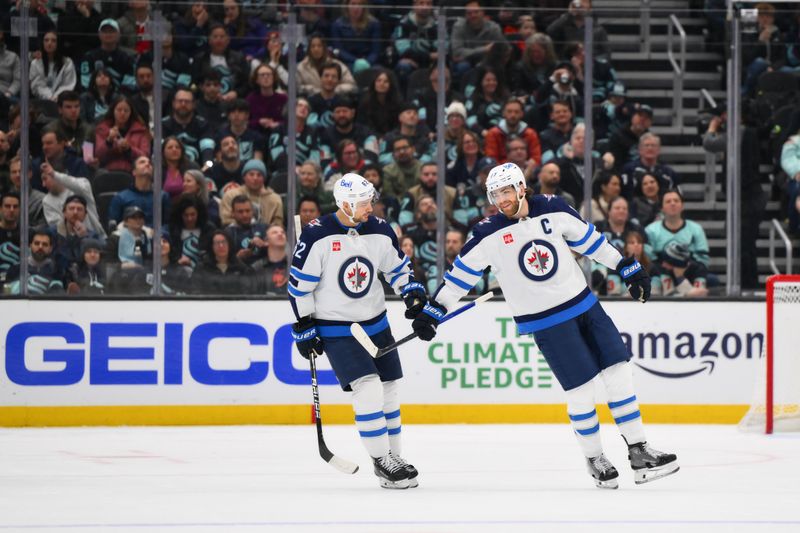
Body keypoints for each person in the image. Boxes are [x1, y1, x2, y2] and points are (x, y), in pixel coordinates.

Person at [419, 162, 678, 489]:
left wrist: (625, 266)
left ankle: (639, 451)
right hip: (547, 322)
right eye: (495, 194)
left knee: (618, 372)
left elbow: (591, 242)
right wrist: (434, 311)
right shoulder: (487, 233)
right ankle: (595, 458)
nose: (502, 199)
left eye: (506, 191)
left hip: (585, 305)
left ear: (521, 187)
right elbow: (459, 278)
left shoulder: (553, 208)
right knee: (582, 390)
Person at [288, 173, 429, 489]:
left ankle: (395, 457)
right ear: (346, 204)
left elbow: (398, 269)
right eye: (365, 202)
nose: (371, 206)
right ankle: (381, 462)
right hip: (338, 329)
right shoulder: (317, 235)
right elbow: (299, 287)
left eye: (371, 199)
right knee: (368, 389)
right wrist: (304, 325)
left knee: (390, 388)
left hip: (376, 323)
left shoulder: (379, 229)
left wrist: (413, 294)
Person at [644, 189, 709, 268]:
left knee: (712, 280)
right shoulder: (651, 230)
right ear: (662, 208)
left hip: (690, 272)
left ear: (682, 206)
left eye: (676, 201)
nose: (672, 203)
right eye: (668, 201)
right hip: (660, 272)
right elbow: (648, 258)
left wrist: (686, 267)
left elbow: (703, 258)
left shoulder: (696, 229)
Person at [94, 96, 152, 173]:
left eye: (126, 110)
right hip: (108, 172)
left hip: (133, 172)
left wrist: (129, 149)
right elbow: (98, 155)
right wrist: (108, 142)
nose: (122, 113)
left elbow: (145, 156)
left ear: (131, 112)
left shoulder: (141, 131)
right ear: (113, 111)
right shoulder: (102, 129)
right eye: (119, 110)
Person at [219, 159, 283, 227]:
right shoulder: (231, 195)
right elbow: (225, 220)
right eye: (251, 174)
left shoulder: (275, 200)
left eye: (259, 175)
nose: (255, 178)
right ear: (244, 177)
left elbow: (278, 225)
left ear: (264, 178)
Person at [192, 229, 255, 294]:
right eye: (217, 243)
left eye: (224, 242)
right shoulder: (202, 268)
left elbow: (246, 292)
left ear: (229, 245)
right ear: (212, 246)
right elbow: (195, 291)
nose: (221, 246)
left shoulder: (241, 268)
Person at [3, 229, 65, 294]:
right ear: (30, 246)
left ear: (50, 249)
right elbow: (7, 295)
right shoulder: (15, 269)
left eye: (45, 244)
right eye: (36, 243)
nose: (40, 247)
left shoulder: (57, 271)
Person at [484, 98, 542, 166]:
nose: (513, 115)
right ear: (503, 113)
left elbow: (536, 158)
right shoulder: (493, 134)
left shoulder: (530, 134)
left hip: (526, 170)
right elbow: (491, 159)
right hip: (501, 171)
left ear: (522, 114)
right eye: (509, 111)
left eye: (516, 112)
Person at [330, 0, 381, 72]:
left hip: (369, 62)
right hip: (347, 62)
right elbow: (339, 49)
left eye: (360, 4)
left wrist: (367, 62)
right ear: (347, 6)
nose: (356, 7)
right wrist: (355, 61)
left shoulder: (374, 23)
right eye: (353, 4)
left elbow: (375, 51)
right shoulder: (337, 24)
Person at [30, 31, 77, 102]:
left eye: (53, 40)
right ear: (42, 43)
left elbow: (68, 85)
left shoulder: (67, 62)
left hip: (62, 100)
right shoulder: (35, 63)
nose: (49, 43)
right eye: (46, 40)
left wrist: (56, 97)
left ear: (58, 43)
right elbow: (37, 86)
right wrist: (50, 97)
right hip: (41, 100)